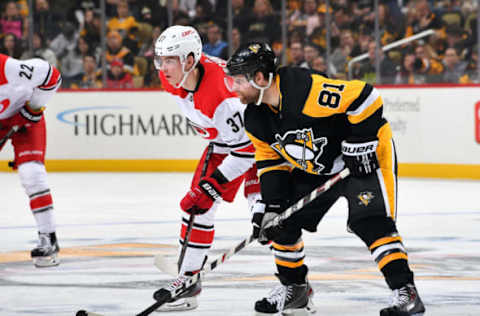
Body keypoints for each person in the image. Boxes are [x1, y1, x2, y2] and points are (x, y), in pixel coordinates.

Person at [225, 42, 426, 316]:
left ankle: (406, 292)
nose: (233, 88)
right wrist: (270, 208)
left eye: (238, 81)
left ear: (260, 78)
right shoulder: (256, 118)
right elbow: (271, 163)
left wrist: (360, 142)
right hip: (319, 166)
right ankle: (295, 290)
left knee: (371, 222)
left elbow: (366, 97)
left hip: (363, 158)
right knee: (282, 222)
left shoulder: (303, 90)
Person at [153, 25, 260, 312]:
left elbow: (249, 150)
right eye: (161, 59)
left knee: (269, 220)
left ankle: (296, 287)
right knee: (196, 208)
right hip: (225, 144)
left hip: (260, 144)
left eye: (170, 60)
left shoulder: (225, 97)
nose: (163, 67)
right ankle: (188, 282)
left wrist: (211, 186)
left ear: (190, 60)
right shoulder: (172, 79)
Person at [0, 53, 62, 268]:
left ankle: (48, 238)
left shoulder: (9, 68)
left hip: (25, 120)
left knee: (31, 174)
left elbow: (51, 76)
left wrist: (33, 108)